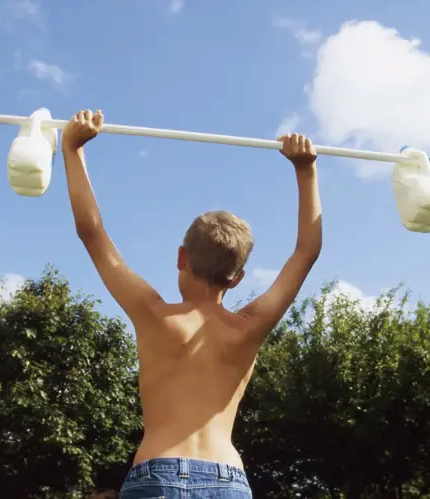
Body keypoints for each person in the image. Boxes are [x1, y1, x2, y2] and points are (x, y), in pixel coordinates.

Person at [61, 110, 322, 498]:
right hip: (227, 480)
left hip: (156, 475)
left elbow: (92, 233)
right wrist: (306, 169)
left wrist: (72, 147)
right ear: (237, 278)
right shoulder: (249, 327)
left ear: (181, 257)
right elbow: (306, 252)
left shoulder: (153, 314)